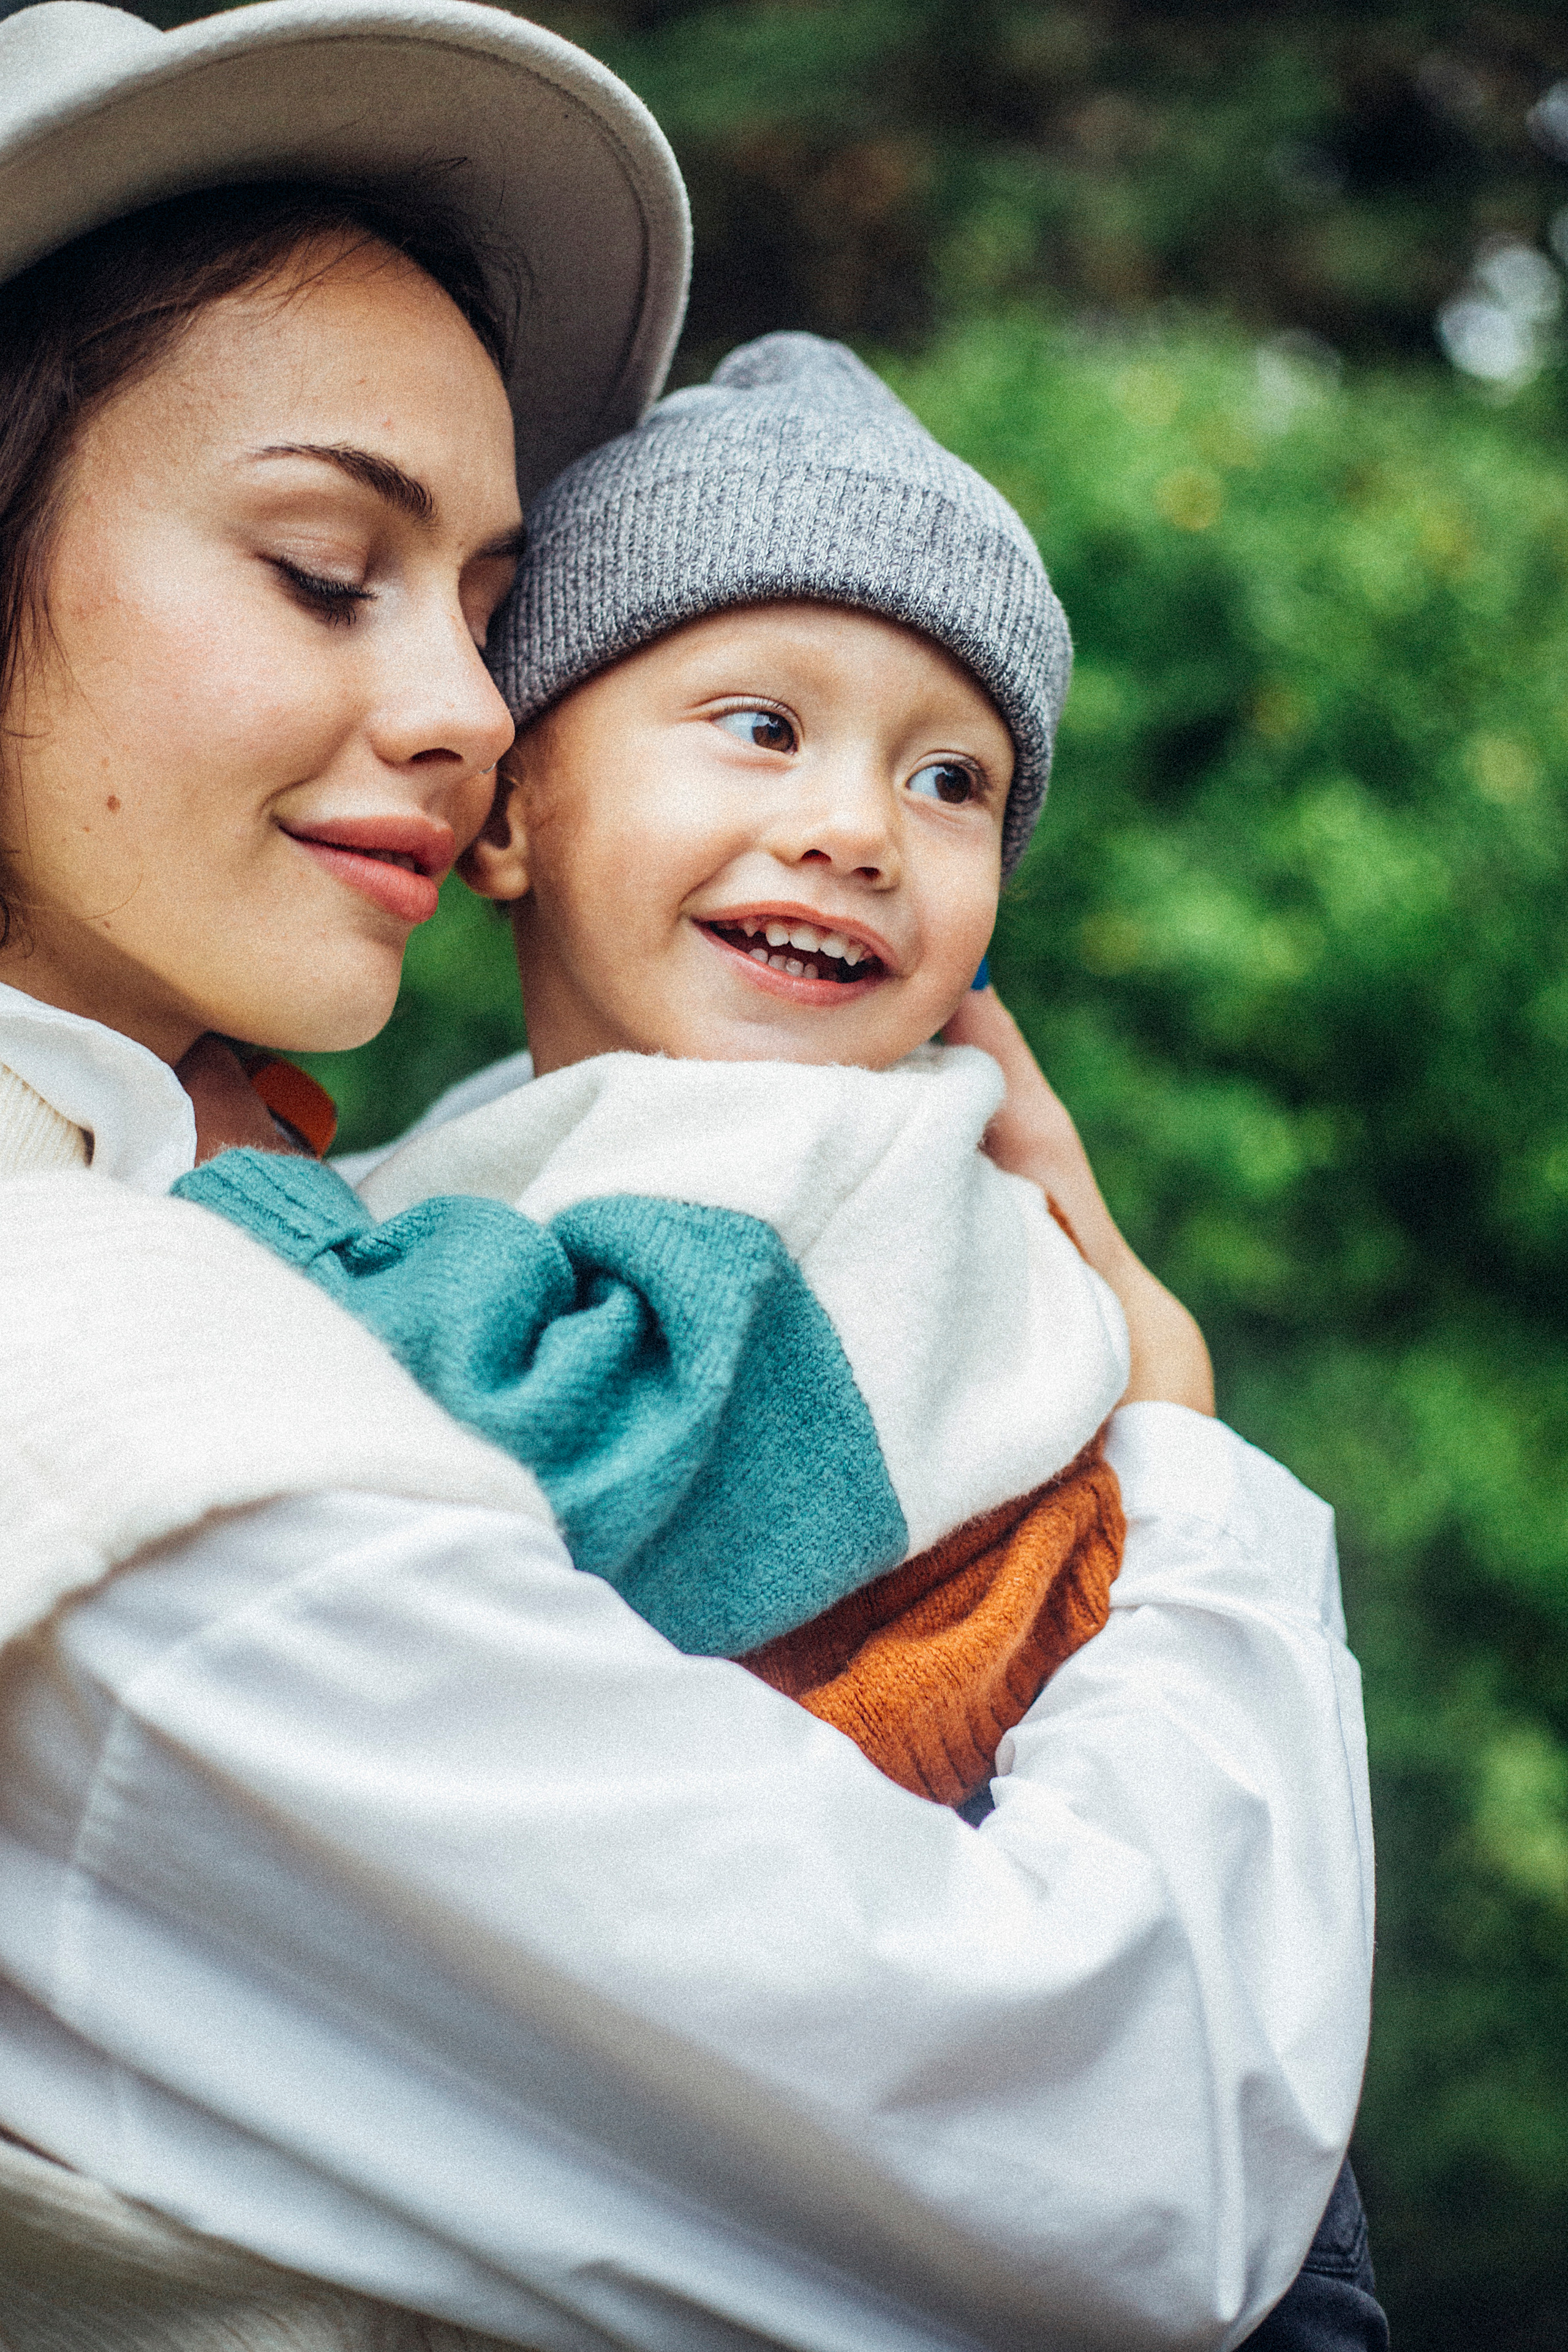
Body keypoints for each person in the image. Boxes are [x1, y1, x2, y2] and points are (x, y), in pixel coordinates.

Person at [0, 4, 1376, 2347]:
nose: (455, 707)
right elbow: (1114, 2175)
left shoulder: (198, 1215)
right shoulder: (116, 1378)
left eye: (480, 606)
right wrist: (1199, 1470)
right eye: (330, 570)